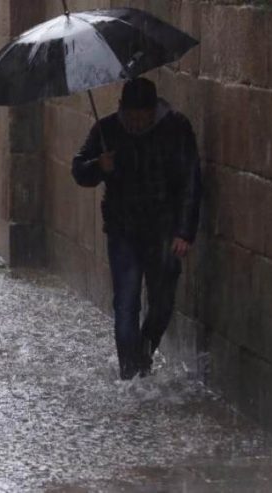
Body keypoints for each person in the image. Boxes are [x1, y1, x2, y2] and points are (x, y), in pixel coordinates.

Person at [72, 78, 201, 380]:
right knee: (126, 305)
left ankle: (142, 352)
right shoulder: (107, 131)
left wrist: (185, 231)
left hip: (164, 230)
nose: (136, 123)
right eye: (131, 117)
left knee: (162, 303)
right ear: (121, 110)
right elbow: (78, 169)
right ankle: (130, 376)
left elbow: (191, 182)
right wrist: (98, 166)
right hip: (123, 230)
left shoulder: (177, 129)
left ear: (153, 111)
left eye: (142, 117)